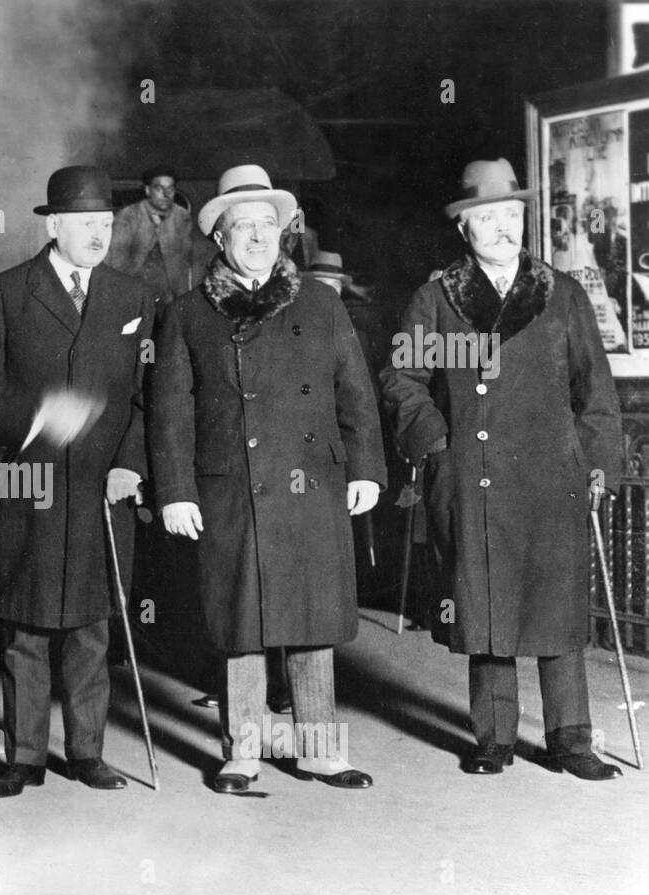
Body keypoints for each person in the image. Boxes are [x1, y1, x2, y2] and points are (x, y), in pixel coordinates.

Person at [379, 158, 624, 780]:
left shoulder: (562, 294)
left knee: (558, 608)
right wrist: (435, 443)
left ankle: (571, 739)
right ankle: (494, 737)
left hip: (552, 476)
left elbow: (594, 390)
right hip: (474, 476)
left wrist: (598, 464)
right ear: (464, 227)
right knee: (484, 605)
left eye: (511, 216)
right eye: (487, 218)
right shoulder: (436, 299)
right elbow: (402, 378)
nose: (503, 228)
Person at [148, 164, 386, 794]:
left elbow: (355, 394)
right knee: (241, 624)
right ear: (219, 239)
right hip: (232, 487)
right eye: (241, 225)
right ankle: (243, 753)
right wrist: (174, 490)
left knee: (314, 622)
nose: (256, 235)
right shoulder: (187, 314)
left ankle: (321, 751)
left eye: (267, 224)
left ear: (284, 234)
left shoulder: (320, 302)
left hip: (314, 482)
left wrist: (367, 470)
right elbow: (171, 411)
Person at [0, 165, 154, 798]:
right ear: (54, 224)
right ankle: (24, 758)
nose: (99, 235)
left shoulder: (133, 297)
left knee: (93, 628)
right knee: (27, 629)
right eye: (86, 224)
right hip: (27, 485)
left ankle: (88, 754)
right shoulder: (5, 292)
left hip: (100, 488)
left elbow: (151, 396)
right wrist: (34, 415)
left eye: (105, 224)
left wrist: (130, 462)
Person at [105, 164, 213, 305]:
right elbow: (115, 260)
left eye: (170, 189)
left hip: (173, 293)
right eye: (159, 189)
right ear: (148, 190)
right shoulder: (127, 216)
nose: (166, 194)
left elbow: (193, 258)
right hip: (133, 290)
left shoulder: (182, 216)